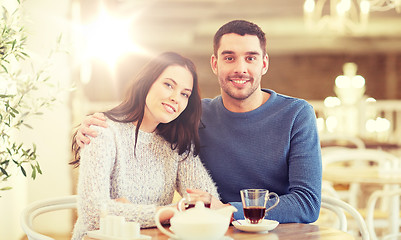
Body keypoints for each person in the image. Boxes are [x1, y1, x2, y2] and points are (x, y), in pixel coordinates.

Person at [75, 20, 322, 224]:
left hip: (268, 232)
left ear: (264, 63)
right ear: (215, 64)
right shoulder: (189, 118)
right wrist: (84, 131)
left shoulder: (297, 115)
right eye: (229, 58)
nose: (240, 68)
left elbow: (307, 203)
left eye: (250, 58)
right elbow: (94, 210)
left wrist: (223, 209)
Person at [70, 52, 220, 240]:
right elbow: (93, 214)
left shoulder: (177, 143)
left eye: (184, 94)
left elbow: (208, 203)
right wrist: (167, 212)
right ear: (147, 82)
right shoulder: (102, 131)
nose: (176, 98)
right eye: (168, 85)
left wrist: (124, 210)